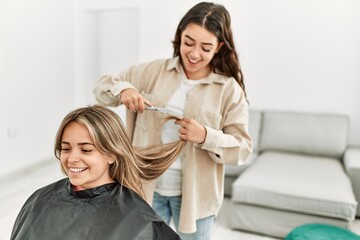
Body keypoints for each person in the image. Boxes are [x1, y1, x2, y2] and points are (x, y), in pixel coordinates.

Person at [94, 2, 253, 239]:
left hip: (197, 200)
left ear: (219, 47)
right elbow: (101, 87)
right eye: (188, 42)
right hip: (145, 190)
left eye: (206, 47)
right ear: (179, 36)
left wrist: (206, 137)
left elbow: (242, 150)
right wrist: (123, 90)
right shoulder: (152, 72)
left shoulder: (229, 90)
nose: (194, 53)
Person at [10, 105, 182, 240]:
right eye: (65, 148)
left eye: (86, 150)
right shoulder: (39, 199)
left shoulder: (137, 217)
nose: (72, 158)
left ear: (112, 154)